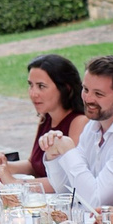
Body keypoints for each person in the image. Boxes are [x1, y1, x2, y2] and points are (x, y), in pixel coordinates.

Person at [39, 54, 113, 211]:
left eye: (98, 94)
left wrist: (69, 151)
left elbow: (95, 201)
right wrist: (54, 155)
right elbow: (67, 190)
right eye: (85, 89)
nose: (88, 99)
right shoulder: (94, 124)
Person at [14, 53, 88, 181]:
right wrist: (0, 165)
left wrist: (15, 183)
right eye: (31, 85)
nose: (33, 93)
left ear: (65, 88)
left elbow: (67, 181)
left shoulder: (79, 122)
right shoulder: (46, 117)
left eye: (41, 86)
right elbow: (33, 165)